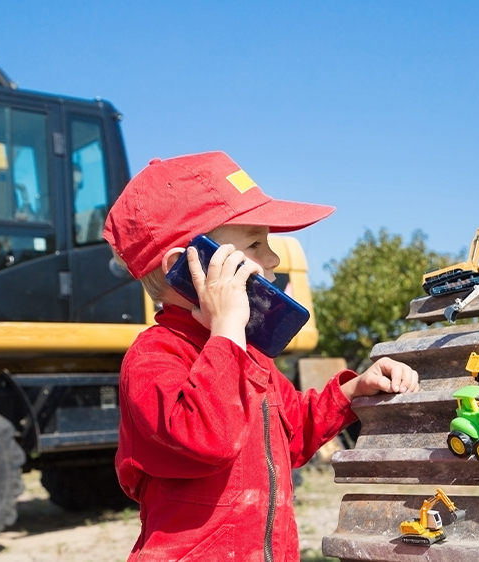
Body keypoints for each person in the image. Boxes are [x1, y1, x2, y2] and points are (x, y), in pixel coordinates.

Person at [102, 151, 419, 562]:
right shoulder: (153, 357)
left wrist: (354, 391)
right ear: (187, 266)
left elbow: (289, 435)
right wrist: (228, 330)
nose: (272, 259)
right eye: (255, 242)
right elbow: (207, 440)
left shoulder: (248, 355)